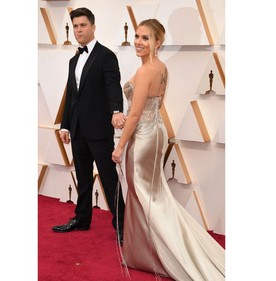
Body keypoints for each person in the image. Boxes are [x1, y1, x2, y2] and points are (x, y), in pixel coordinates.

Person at [112, 19, 225, 280]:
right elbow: (155, 106)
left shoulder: (145, 71)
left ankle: (172, 254)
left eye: (146, 38)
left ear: (158, 42)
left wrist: (120, 146)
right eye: (137, 36)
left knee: (149, 197)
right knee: (152, 196)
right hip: (155, 132)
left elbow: (137, 112)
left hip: (142, 138)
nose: (139, 42)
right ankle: (149, 252)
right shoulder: (161, 68)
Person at [52, 7, 125, 244]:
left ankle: (122, 224)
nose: (79, 30)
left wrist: (116, 110)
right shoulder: (74, 59)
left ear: (93, 27)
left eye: (83, 25)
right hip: (78, 129)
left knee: (108, 178)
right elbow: (72, 95)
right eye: (75, 26)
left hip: (99, 129)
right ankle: (82, 218)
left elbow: (113, 85)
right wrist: (65, 125)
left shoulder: (106, 56)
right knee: (83, 177)